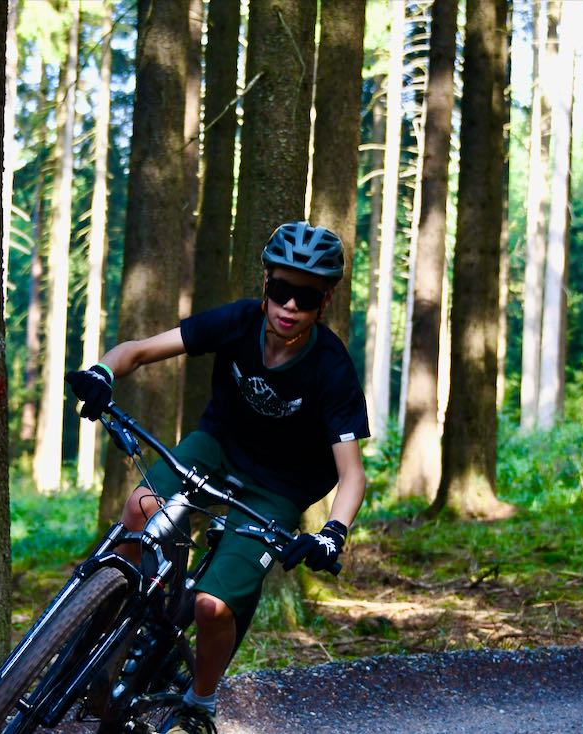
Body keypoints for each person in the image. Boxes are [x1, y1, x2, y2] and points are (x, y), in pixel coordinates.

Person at [66, 221, 369, 734]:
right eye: (281, 289)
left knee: (211, 605)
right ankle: (104, 631)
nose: (290, 306)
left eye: (306, 296)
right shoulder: (235, 323)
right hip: (217, 447)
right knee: (140, 509)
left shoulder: (332, 369)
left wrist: (331, 535)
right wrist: (102, 373)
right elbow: (137, 350)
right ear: (265, 285)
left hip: (277, 489)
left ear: (326, 301)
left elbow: (353, 474)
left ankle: (201, 699)